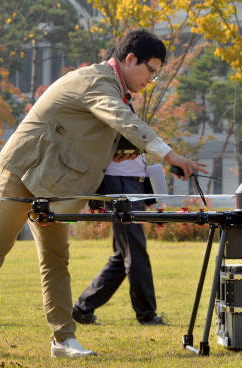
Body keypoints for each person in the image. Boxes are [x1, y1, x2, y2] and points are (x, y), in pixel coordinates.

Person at [0, 29, 206, 358]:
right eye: (151, 70)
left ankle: (63, 340)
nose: (151, 79)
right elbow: (121, 120)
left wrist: (122, 153)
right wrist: (171, 155)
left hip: (54, 185)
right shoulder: (97, 81)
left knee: (56, 261)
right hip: (21, 173)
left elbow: (97, 136)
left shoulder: (116, 89)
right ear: (129, 60)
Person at [72, 102, 164, 326]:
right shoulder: (108, 104)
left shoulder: (124, 104)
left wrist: (150, 193)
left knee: (123, 255)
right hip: (118, 183)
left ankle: (83, 308)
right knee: (135, 251)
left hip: (132, 183)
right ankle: (146, 314)